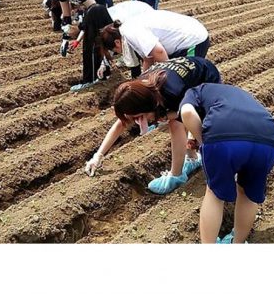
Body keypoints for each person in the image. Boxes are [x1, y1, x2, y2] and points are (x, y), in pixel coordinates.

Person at [85, 57, 222, 195]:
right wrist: (98, 155)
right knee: (173, 120)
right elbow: (121, 123)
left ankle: (177, 175)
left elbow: (185, 113)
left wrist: (164, 116)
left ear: (147, 106)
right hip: (184, 74)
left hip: (205, 76)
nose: (135, 120)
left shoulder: (172, 91)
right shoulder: (138, 91)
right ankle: (192, 159)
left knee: (176, 123)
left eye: (137, 116)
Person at [178, 83, 274, 243]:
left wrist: (202, 141)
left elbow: (187, 112)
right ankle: (238, 243)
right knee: (248, 194)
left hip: (224, 138)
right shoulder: (235, 93)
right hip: (268, 138)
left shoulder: (195, 91)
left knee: (214, 194)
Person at [66, 0, 155, 91]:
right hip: (136, 10)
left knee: (139, 51)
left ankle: (142, 82)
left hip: (143, 15)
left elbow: (121, 47)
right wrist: (103, 63)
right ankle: (140, 80)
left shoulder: (118, 25)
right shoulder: (100, 15)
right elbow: (108, 43)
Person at [97, 9, 210, 74]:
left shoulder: (130, 32)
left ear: (117, 43)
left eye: (116, 51)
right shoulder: (127, 29)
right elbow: (148, 59)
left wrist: (168, 76)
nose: (120, 53)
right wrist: (144, 79)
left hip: (193, 40)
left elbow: (159, 52)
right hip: (185, 36)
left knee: (184, 76)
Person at [39, 0, 113, 55]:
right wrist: (65, 39)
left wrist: (79, 28)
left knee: (101, 30)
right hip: (89, 5)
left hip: (102, 2)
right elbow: (66, 16)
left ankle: (110, 53)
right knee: (90, 32)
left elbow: (94, 11)